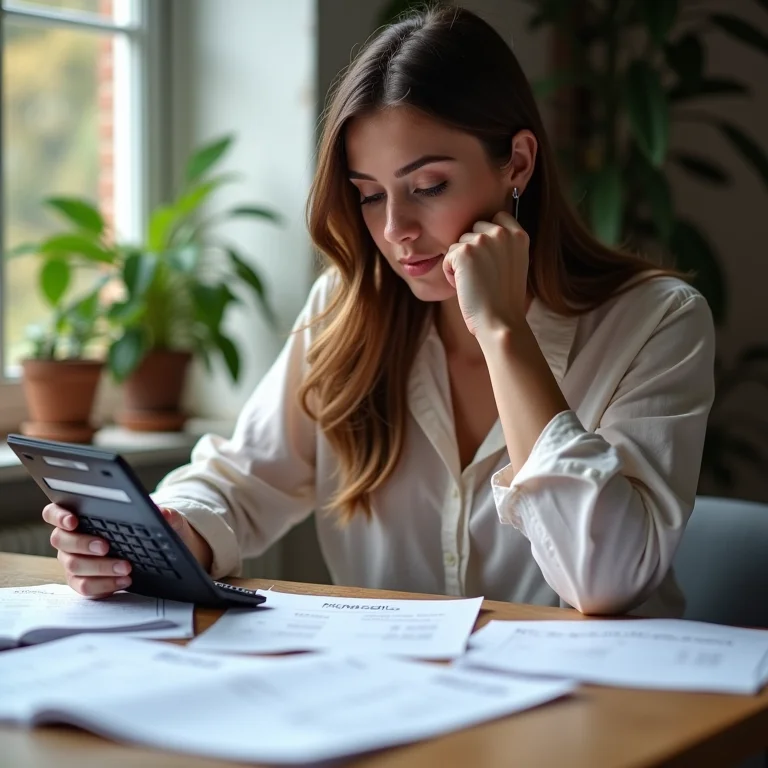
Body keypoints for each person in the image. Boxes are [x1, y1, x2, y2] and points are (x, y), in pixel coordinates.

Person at [43, 4, 714, 616]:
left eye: (427, 186)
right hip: (392, 707)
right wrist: (169, 533)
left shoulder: (656, 322)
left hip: (599, 719)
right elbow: (241, 478)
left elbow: (605, 578)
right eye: (368, 195)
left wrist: (503, 331)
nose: (396, 229)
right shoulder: (346, 307)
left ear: (517, 161)